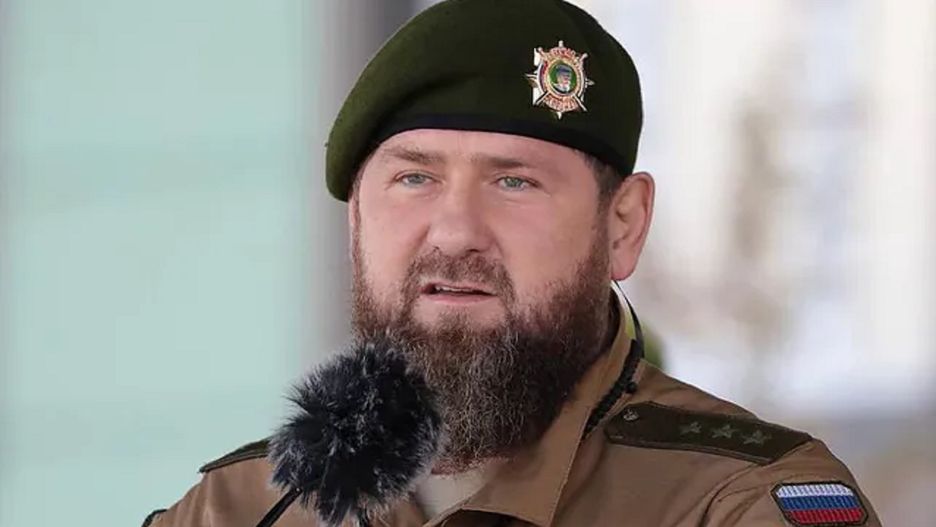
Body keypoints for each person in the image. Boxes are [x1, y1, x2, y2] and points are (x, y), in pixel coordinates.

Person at [143, 1, 881, 526]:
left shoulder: (738, 503)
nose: (456, 232)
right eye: (414, 177)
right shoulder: (240, 508)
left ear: (623, 225)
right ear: (357, 221)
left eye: (514, 182)